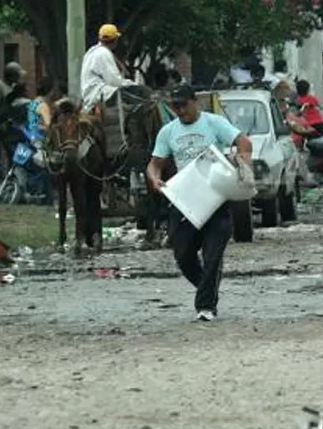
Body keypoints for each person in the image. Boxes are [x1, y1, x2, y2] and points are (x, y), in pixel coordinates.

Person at [146, 85, 253, 322]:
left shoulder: (214, 123)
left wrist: (242, 165)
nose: (180, 110)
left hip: (215, 197)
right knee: (182, 254)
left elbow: (243, 142)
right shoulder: (168, 132)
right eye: (176, 106)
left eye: (184, 104)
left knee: (213, 253)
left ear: (196, 103)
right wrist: (155, 179)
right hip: (185, 198)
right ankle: (208, 288)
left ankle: (205, 306)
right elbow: (155, 163)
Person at [80, 24, 137, 113]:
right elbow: (114, 82)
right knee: (138, 98)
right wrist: (132, 84)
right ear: (115, 41)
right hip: (100, 94)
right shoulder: (104, 53)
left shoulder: (91, 51)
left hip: (90, 94)